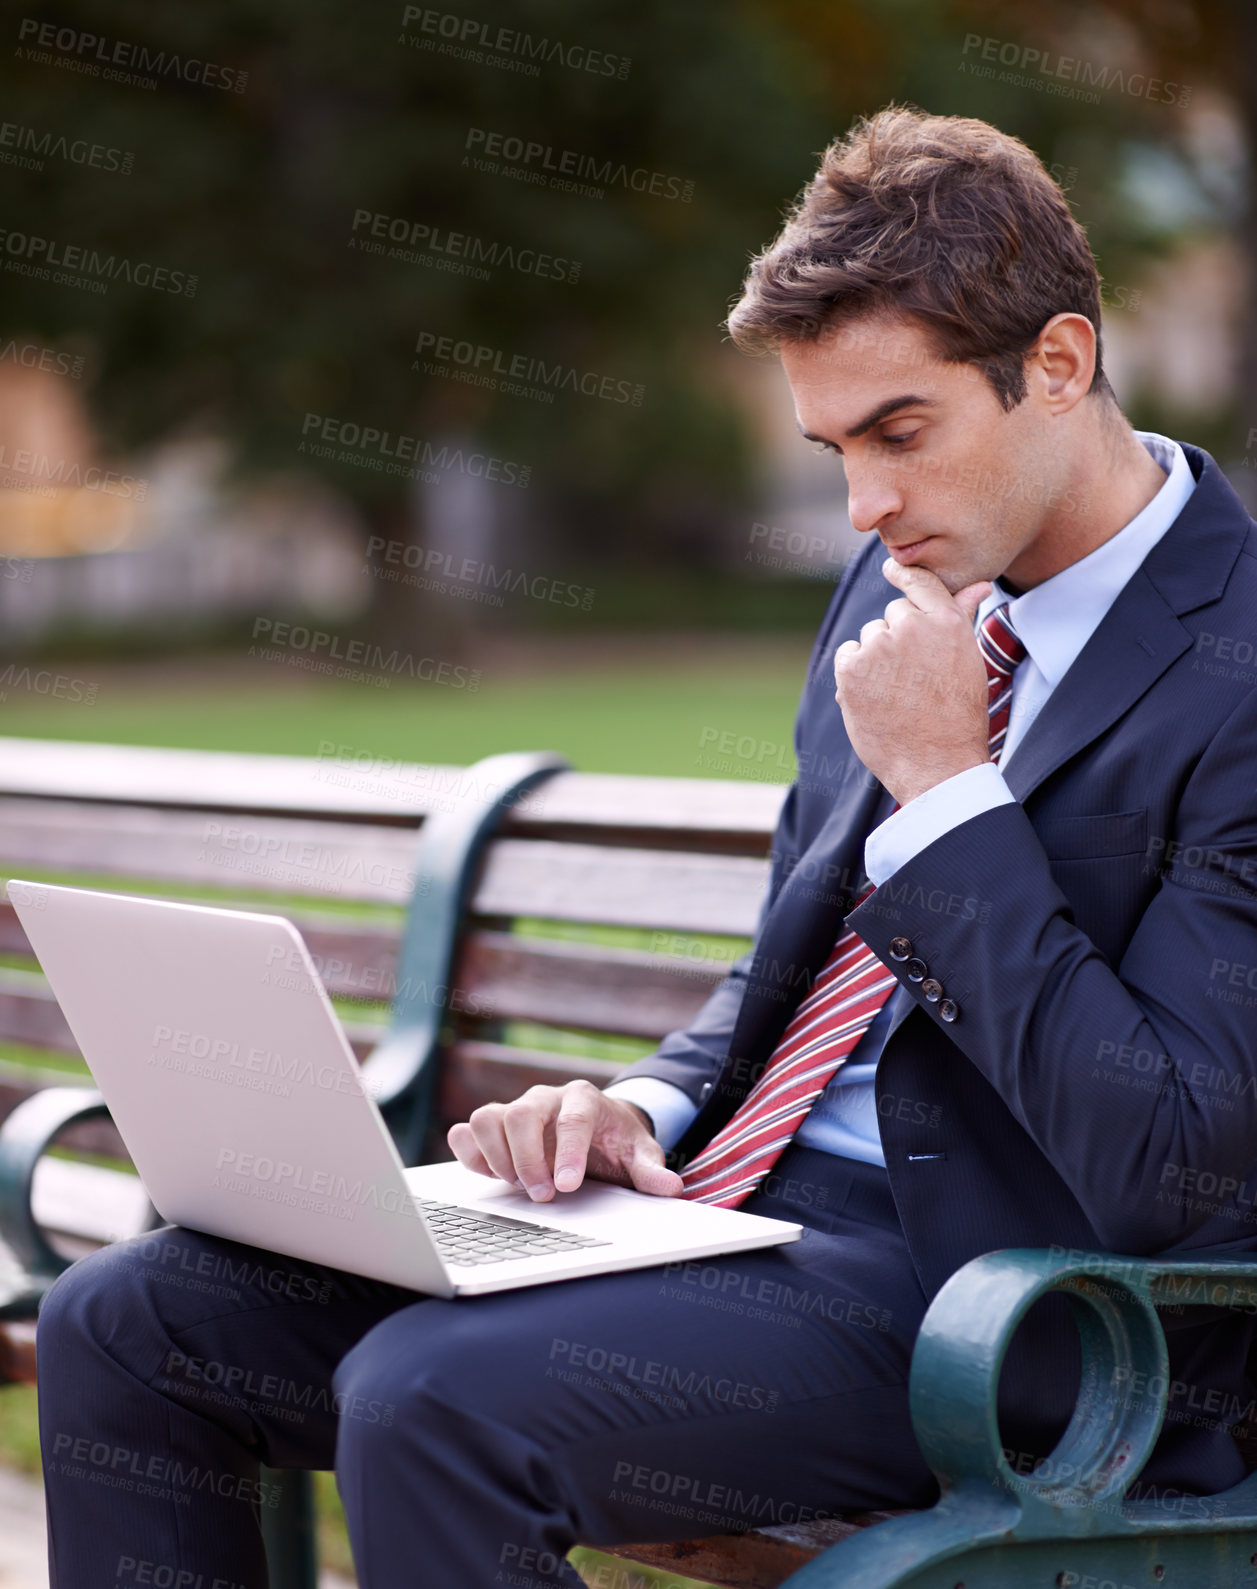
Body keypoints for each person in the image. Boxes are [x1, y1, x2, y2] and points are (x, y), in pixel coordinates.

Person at [37, 105, 1257, 1589]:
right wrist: (636, 1104)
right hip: (726, 1224)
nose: (864, 506)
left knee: (428, 1400)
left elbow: (1173, 1168)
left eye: (900, 432)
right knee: (129, 1321)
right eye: (830, 449)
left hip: (1008, 1306)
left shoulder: (1231, 669)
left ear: (1057, 365)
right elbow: (792, 981)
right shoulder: (910, 591)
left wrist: (944, 791)